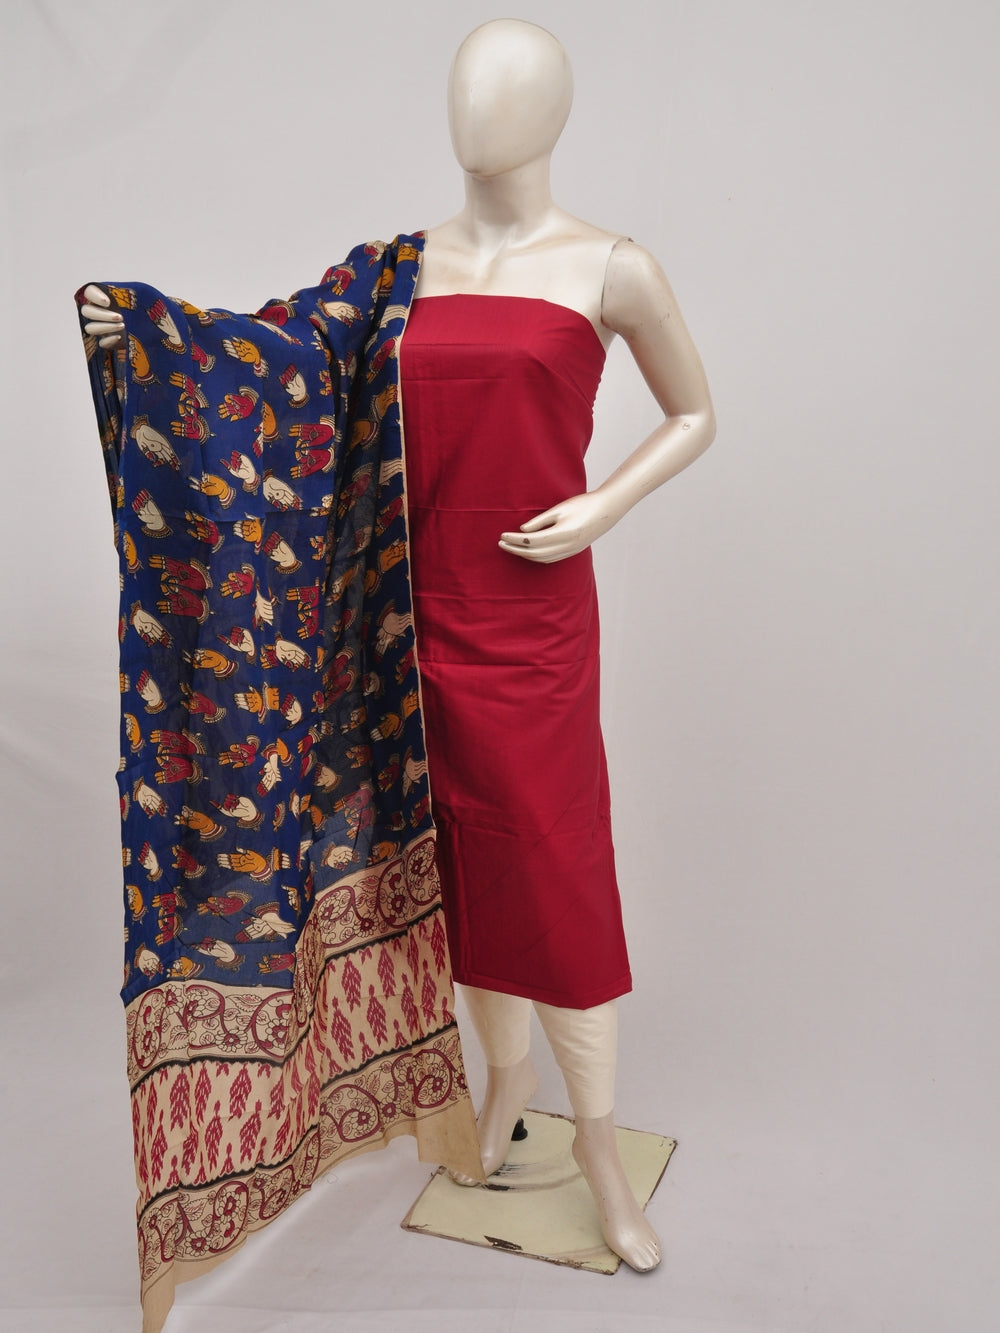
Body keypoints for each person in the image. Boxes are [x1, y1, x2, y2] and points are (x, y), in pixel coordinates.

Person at [81, 16, 715, 1277]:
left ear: (554, 112)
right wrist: (151, 338)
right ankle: (501, 1082)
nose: (479, 113)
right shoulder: (392, 274)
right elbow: (273, 364)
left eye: (507, 91)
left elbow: (693, 411)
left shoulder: (611, 266)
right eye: (466, 89)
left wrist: (602, 504)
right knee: (450, 870)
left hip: (530, 625)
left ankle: (596, 1147)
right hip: (401, 624)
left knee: (551, 873)